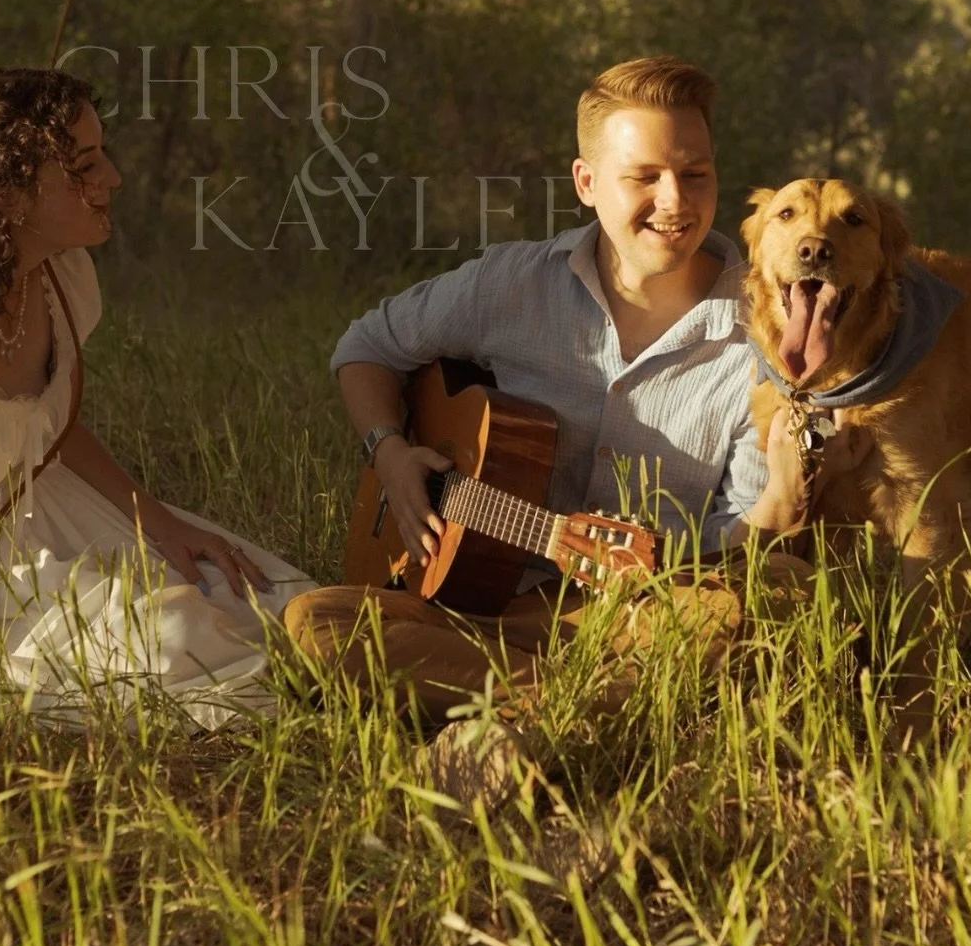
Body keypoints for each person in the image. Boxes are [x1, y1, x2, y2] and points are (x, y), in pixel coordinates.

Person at [285, 57, 844, 764]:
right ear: (586, 183)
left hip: (645, 615)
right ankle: (586, 709)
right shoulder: (511, 284)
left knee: (771, 595)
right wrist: (390, 453)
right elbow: (365, 347)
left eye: (695, 173)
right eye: (644, 176)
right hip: (478, 610)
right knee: (315, 622)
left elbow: (741, 539)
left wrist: (764, 516)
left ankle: (519, 718)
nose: (674, 201)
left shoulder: (763, 336)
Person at [0, 67, 312, 728]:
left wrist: (161, 523)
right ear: (8, 196)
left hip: (25, 511)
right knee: (185, 638)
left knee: (258, 599)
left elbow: (41, 426)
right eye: (85, 167)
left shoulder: (54, 271)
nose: (113, 180)